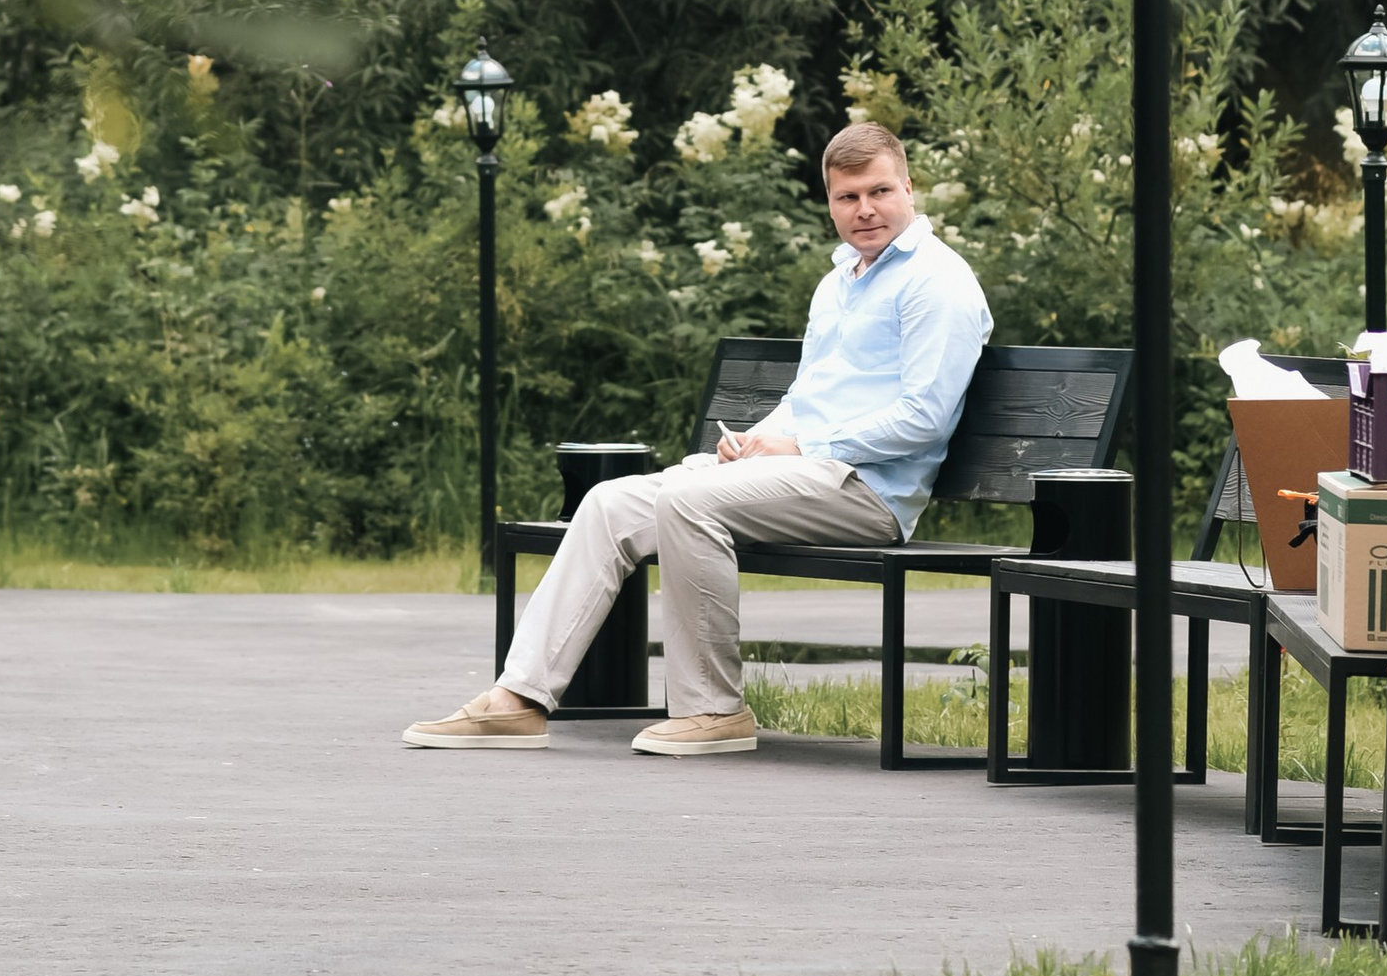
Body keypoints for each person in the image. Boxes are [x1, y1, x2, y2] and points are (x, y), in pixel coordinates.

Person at [402, 118, 991, 756]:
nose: (865, 210)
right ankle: (517, 700)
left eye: (879, 192)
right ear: (829, 202)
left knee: (688, 502)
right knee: (608, 503)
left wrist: (798, 449)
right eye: (847, 197)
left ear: (909, 187)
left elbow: (924, 417)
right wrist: (754, 441)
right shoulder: (840, 282)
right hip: (802, 473)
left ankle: (714, 709)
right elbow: (806, 398)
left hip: (867, 491)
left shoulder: (938, 281)